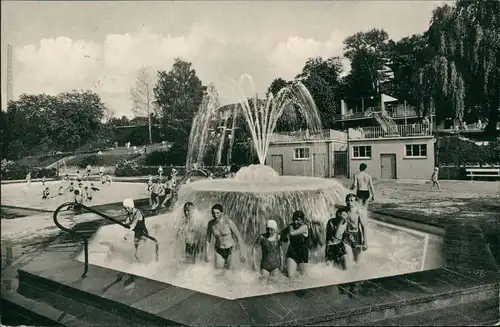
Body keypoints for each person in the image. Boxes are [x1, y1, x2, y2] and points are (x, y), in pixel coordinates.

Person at [205, 204, 246, 270]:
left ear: (222, 213)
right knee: (218, 272)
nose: (215, 215)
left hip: (230, 249)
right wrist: (206, 253)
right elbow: (207, 239)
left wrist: (241, 252)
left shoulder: (228, 222)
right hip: (219, 250)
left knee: (229, 272)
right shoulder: (211, 224)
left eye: (217, 213)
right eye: (213, 213)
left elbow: (238, 236)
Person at [285, 210, 309, 278]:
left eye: (298, 220)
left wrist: (289, 227)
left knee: (303, 277)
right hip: (292, 252)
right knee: (290, 276)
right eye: (294, 219)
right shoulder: (291, 226)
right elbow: (282, 233)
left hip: (303, 254)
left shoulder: (305, 227)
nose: (296, 222)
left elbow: (292, 233)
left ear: (302, 220)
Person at [344, 193, 368, 264]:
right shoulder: (344, 210)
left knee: (357, 260)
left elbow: (364, 227)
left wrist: (365, 242)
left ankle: (357, 273)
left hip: (357, 235)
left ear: (355, 202)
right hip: (347, 236)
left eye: (352, 200)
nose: (350, 202)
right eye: (348, 200)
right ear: (346, 201)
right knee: (348, 258)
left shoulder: (358, 212)